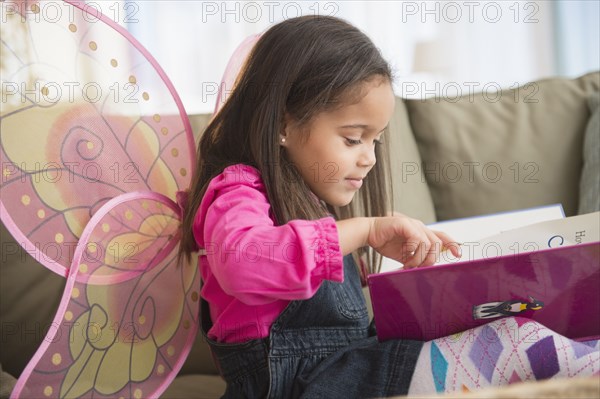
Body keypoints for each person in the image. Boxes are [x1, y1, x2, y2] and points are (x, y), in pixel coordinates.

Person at [179, 15, 599, 398]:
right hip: (303, 386)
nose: (369, 158)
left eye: (375, 140)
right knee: (516, 345)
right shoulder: (237, 190)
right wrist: (362, 230)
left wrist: (423, 283)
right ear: (285, 124)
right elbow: (243, 264)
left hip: (348, 369)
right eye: (352, 138)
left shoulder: (309, 203)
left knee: (525, 331)